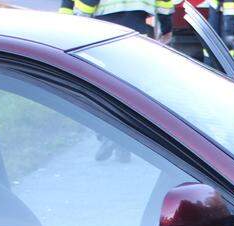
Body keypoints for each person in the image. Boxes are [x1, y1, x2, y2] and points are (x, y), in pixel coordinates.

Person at [62, 0, 173, 161]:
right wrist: (166, 25)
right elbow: (165, 3)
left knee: (103, 88)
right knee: (131, 89)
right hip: (138, 33)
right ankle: (124, 142)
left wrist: (74, 25)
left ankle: (109, 135)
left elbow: (85, 4)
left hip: (103, 35)